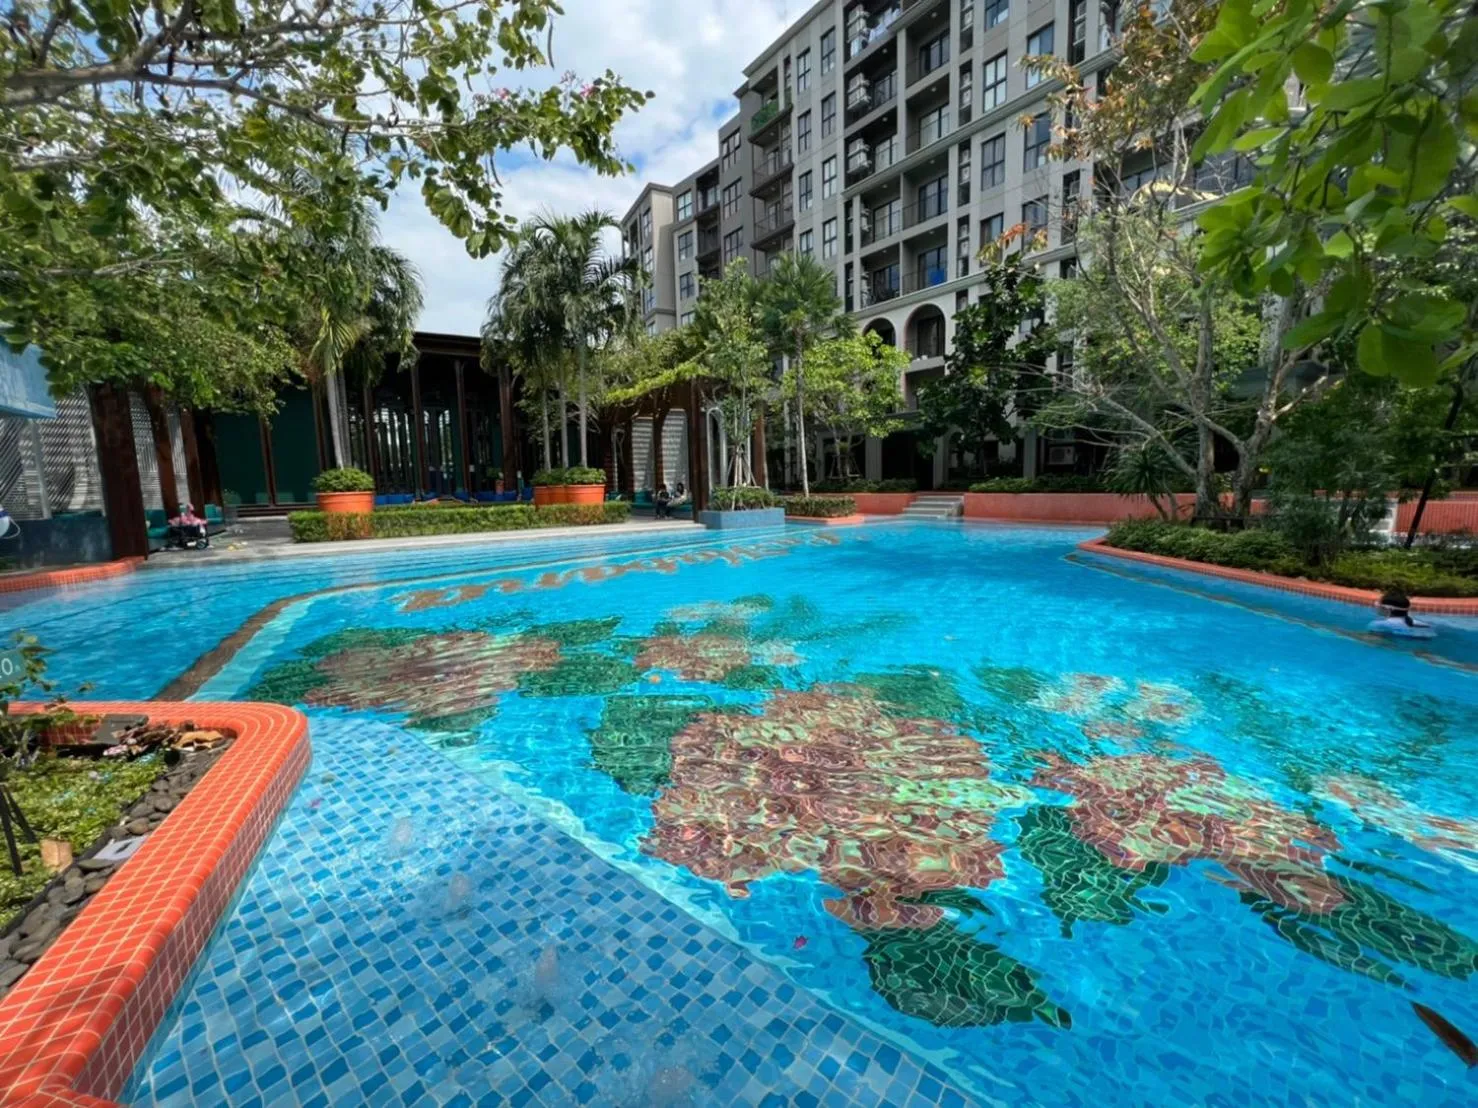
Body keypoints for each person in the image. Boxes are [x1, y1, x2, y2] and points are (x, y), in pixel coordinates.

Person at [1368, 590, 1436, 640]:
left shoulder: (1378, 625)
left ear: (1388, 609)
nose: (1377, 606)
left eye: (1379, 604)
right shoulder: (1424, 625)